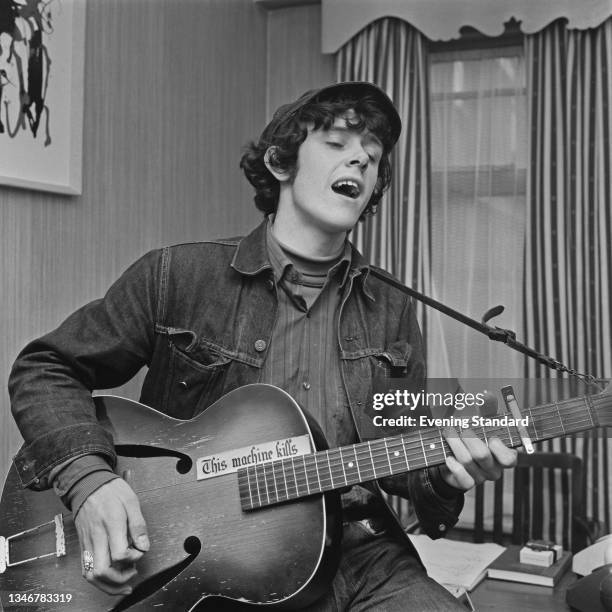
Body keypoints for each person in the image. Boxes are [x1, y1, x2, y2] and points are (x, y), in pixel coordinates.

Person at [9, 82, 517, 610]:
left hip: (362, 549)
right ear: (280, 162)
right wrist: (89, 482)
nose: (361, 162)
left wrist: (448, 471)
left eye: (372, 156)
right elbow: (44, 369)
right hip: (211, 553)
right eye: (339, 144)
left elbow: (403, 451)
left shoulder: (390, 305)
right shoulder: (176, 275)